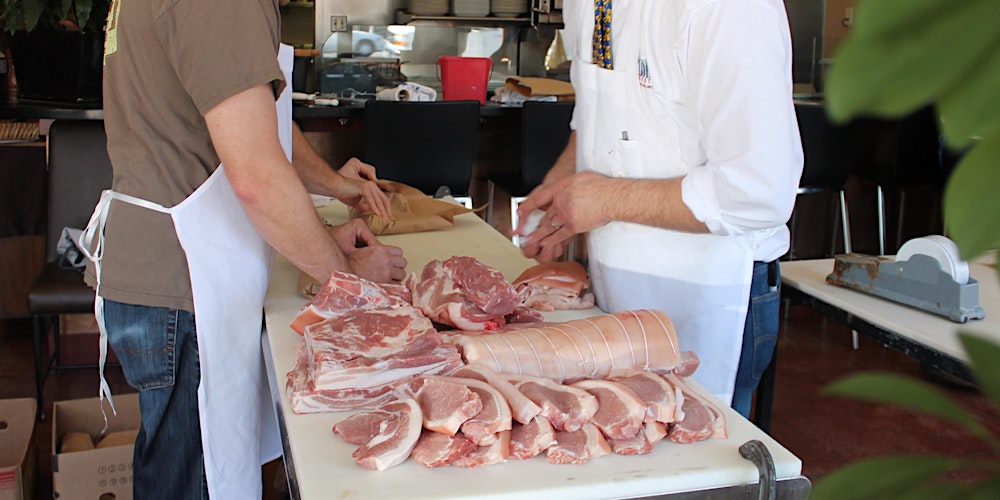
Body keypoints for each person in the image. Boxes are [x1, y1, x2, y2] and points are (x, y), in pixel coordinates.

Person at [82, 1, 406, 498]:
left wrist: (332, 202)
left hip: (171, 273)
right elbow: (257, 178)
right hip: (187, 282)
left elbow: (253, 118)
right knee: (193, 482)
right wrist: (347, 277)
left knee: (180, 471)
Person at [516, 0, 803, 418]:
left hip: (710, 288)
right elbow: (597, 110)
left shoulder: (727, 9)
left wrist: (606, 200)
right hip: (616, 289)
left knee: (698, 447)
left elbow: (757, 192)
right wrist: (562, 185)